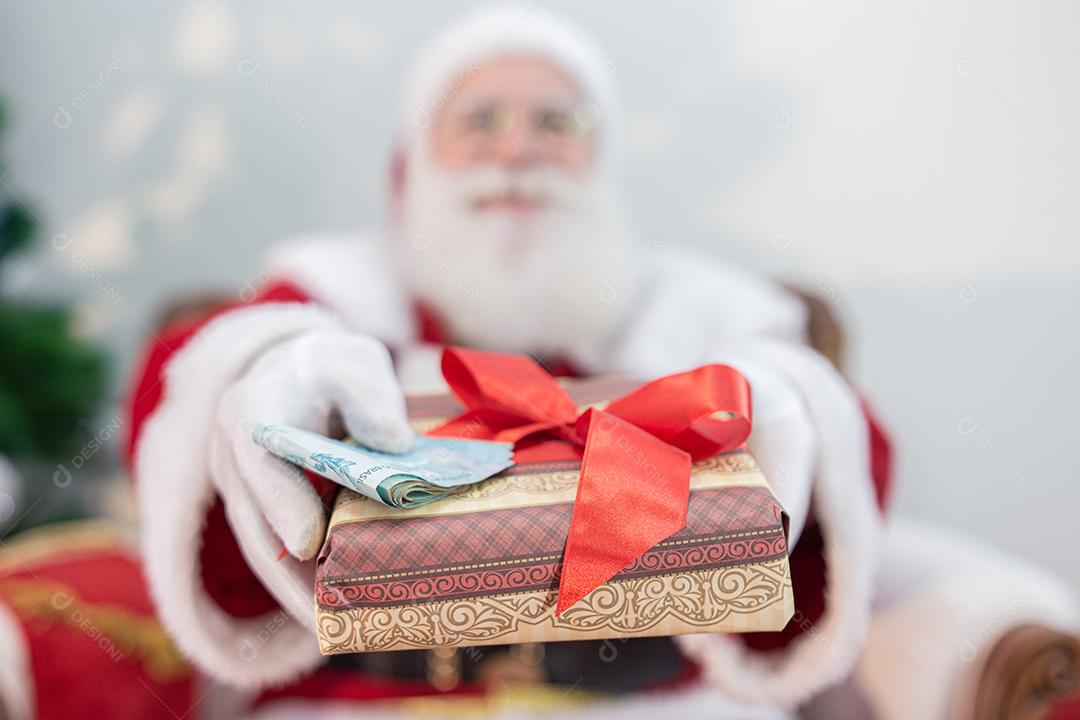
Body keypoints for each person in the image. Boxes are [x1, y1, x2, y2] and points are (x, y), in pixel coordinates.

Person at [0, 6, 1076, 720]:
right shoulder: (326, 296)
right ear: (414, 165)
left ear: (601, 165)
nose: (517, 148)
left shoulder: (712, 311)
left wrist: (794, 412)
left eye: (555, 123)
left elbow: (855, 481)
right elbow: (183, 408)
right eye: (481, 122)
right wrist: (256, 385)